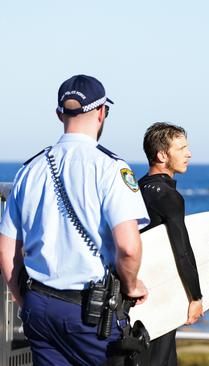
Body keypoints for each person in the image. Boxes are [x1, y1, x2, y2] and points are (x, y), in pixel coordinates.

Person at [0, 74, 150, 365]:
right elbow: (129, 248)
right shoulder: (111, 168)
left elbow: (6, 250)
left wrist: (23, 298)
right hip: (89, 313)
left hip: (39, 305)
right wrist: (132, 286)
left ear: (59, 115)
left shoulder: (29, 170)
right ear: (102, 112)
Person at [138, 122, 203, 365]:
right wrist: (195, 297)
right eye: (182, 148)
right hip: (161, 294)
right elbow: (182, 250)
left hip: (136, 292)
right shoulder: (167, 195)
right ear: (162, 155)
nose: (189, 153)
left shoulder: (137, 188)